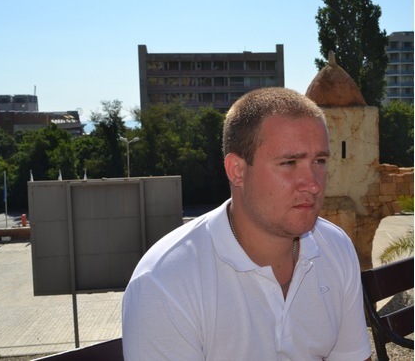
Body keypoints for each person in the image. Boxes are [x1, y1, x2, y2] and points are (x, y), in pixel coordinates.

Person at [122, 87, 372, 360]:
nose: (313, 184)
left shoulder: (335, 248)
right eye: (289, 162)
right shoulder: (165, 281)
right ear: (237, 171)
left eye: (320, 161)